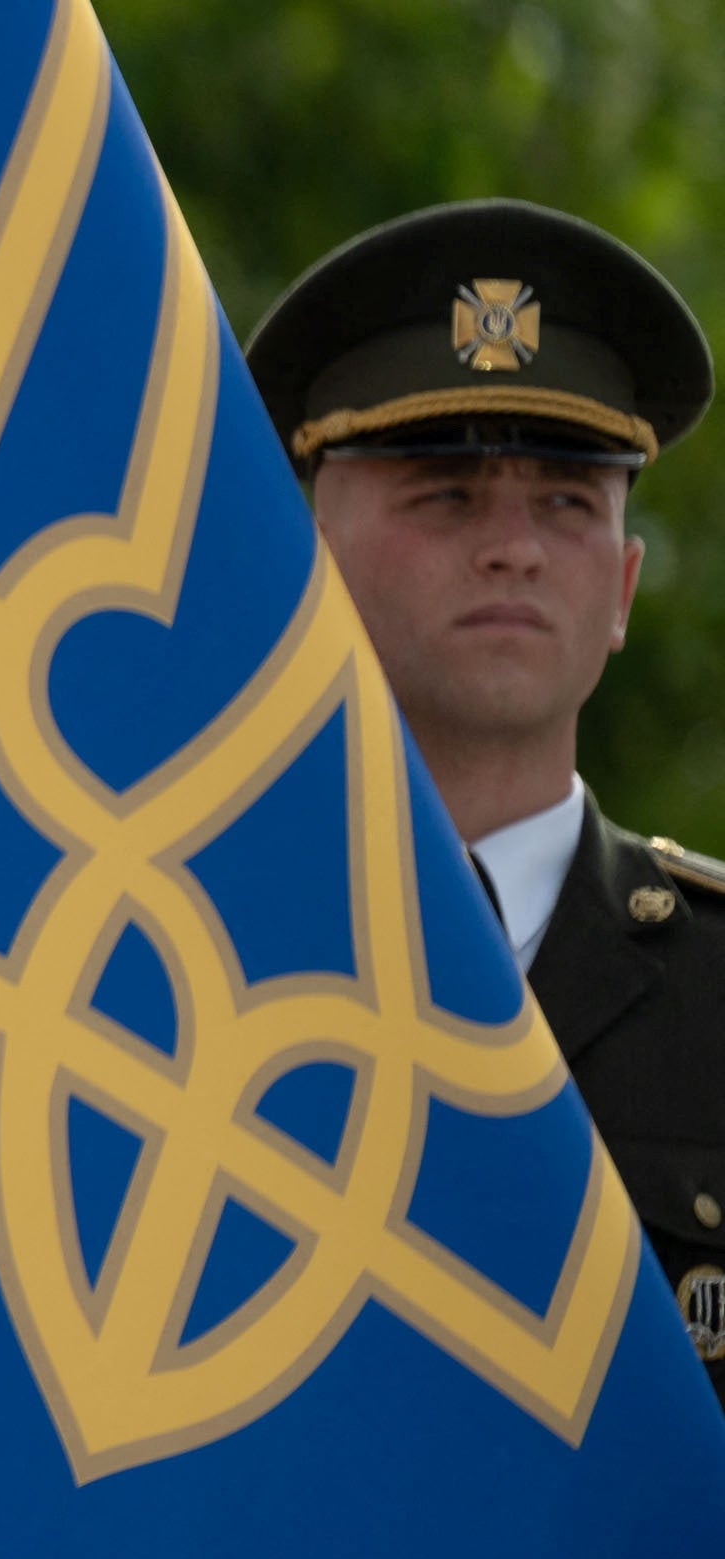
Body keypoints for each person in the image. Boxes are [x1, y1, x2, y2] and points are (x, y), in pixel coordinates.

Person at [248, 198, 725, 1408]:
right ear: (308, 560)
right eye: (446, 493)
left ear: (622, 588)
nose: (512, 545)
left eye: (567, 499)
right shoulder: (184, 962)